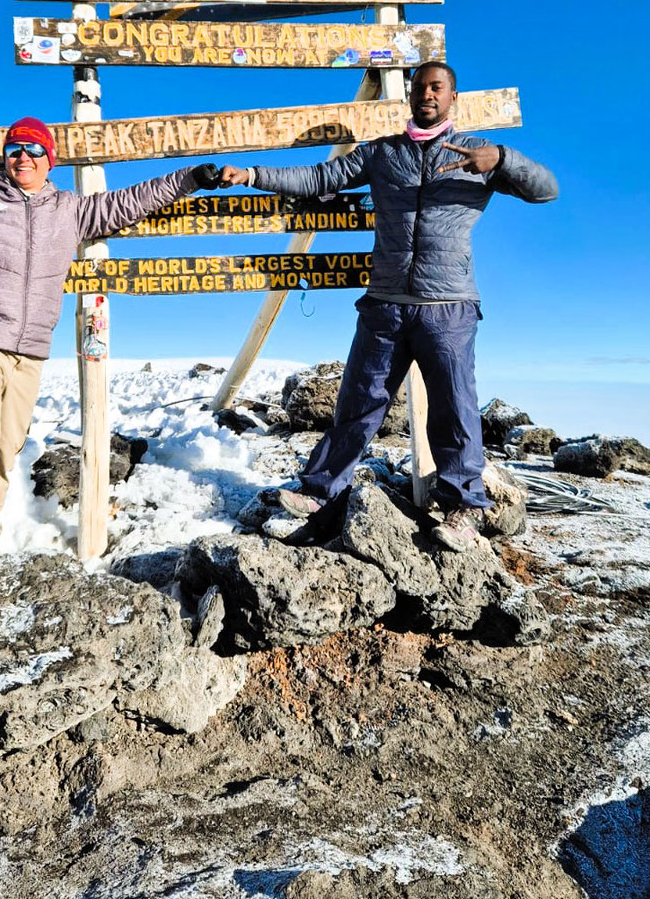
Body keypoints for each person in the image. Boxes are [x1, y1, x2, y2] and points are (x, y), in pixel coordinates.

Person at [0, 116, 221, 602]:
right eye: (15, 149)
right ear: (5, 156)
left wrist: (188, 179)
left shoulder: (69, 210)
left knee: (5, 443)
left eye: (34, 151)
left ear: (49, 160)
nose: (23, 157)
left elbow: (129, 202)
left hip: (32, 343)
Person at [219, 64, 558, 552]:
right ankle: (319, 492)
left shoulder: (478, 153)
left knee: (455, 409)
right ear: (411, 98)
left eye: (436, 88)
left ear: (452, 97)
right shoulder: (383, 153)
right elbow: (319, 177)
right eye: (420, 87)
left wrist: (503, 159)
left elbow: (546, 190)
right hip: (384, 306)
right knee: (358, 403)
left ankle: (463, 505)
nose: (427, 95)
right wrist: (252, 173)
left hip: (449, 306)